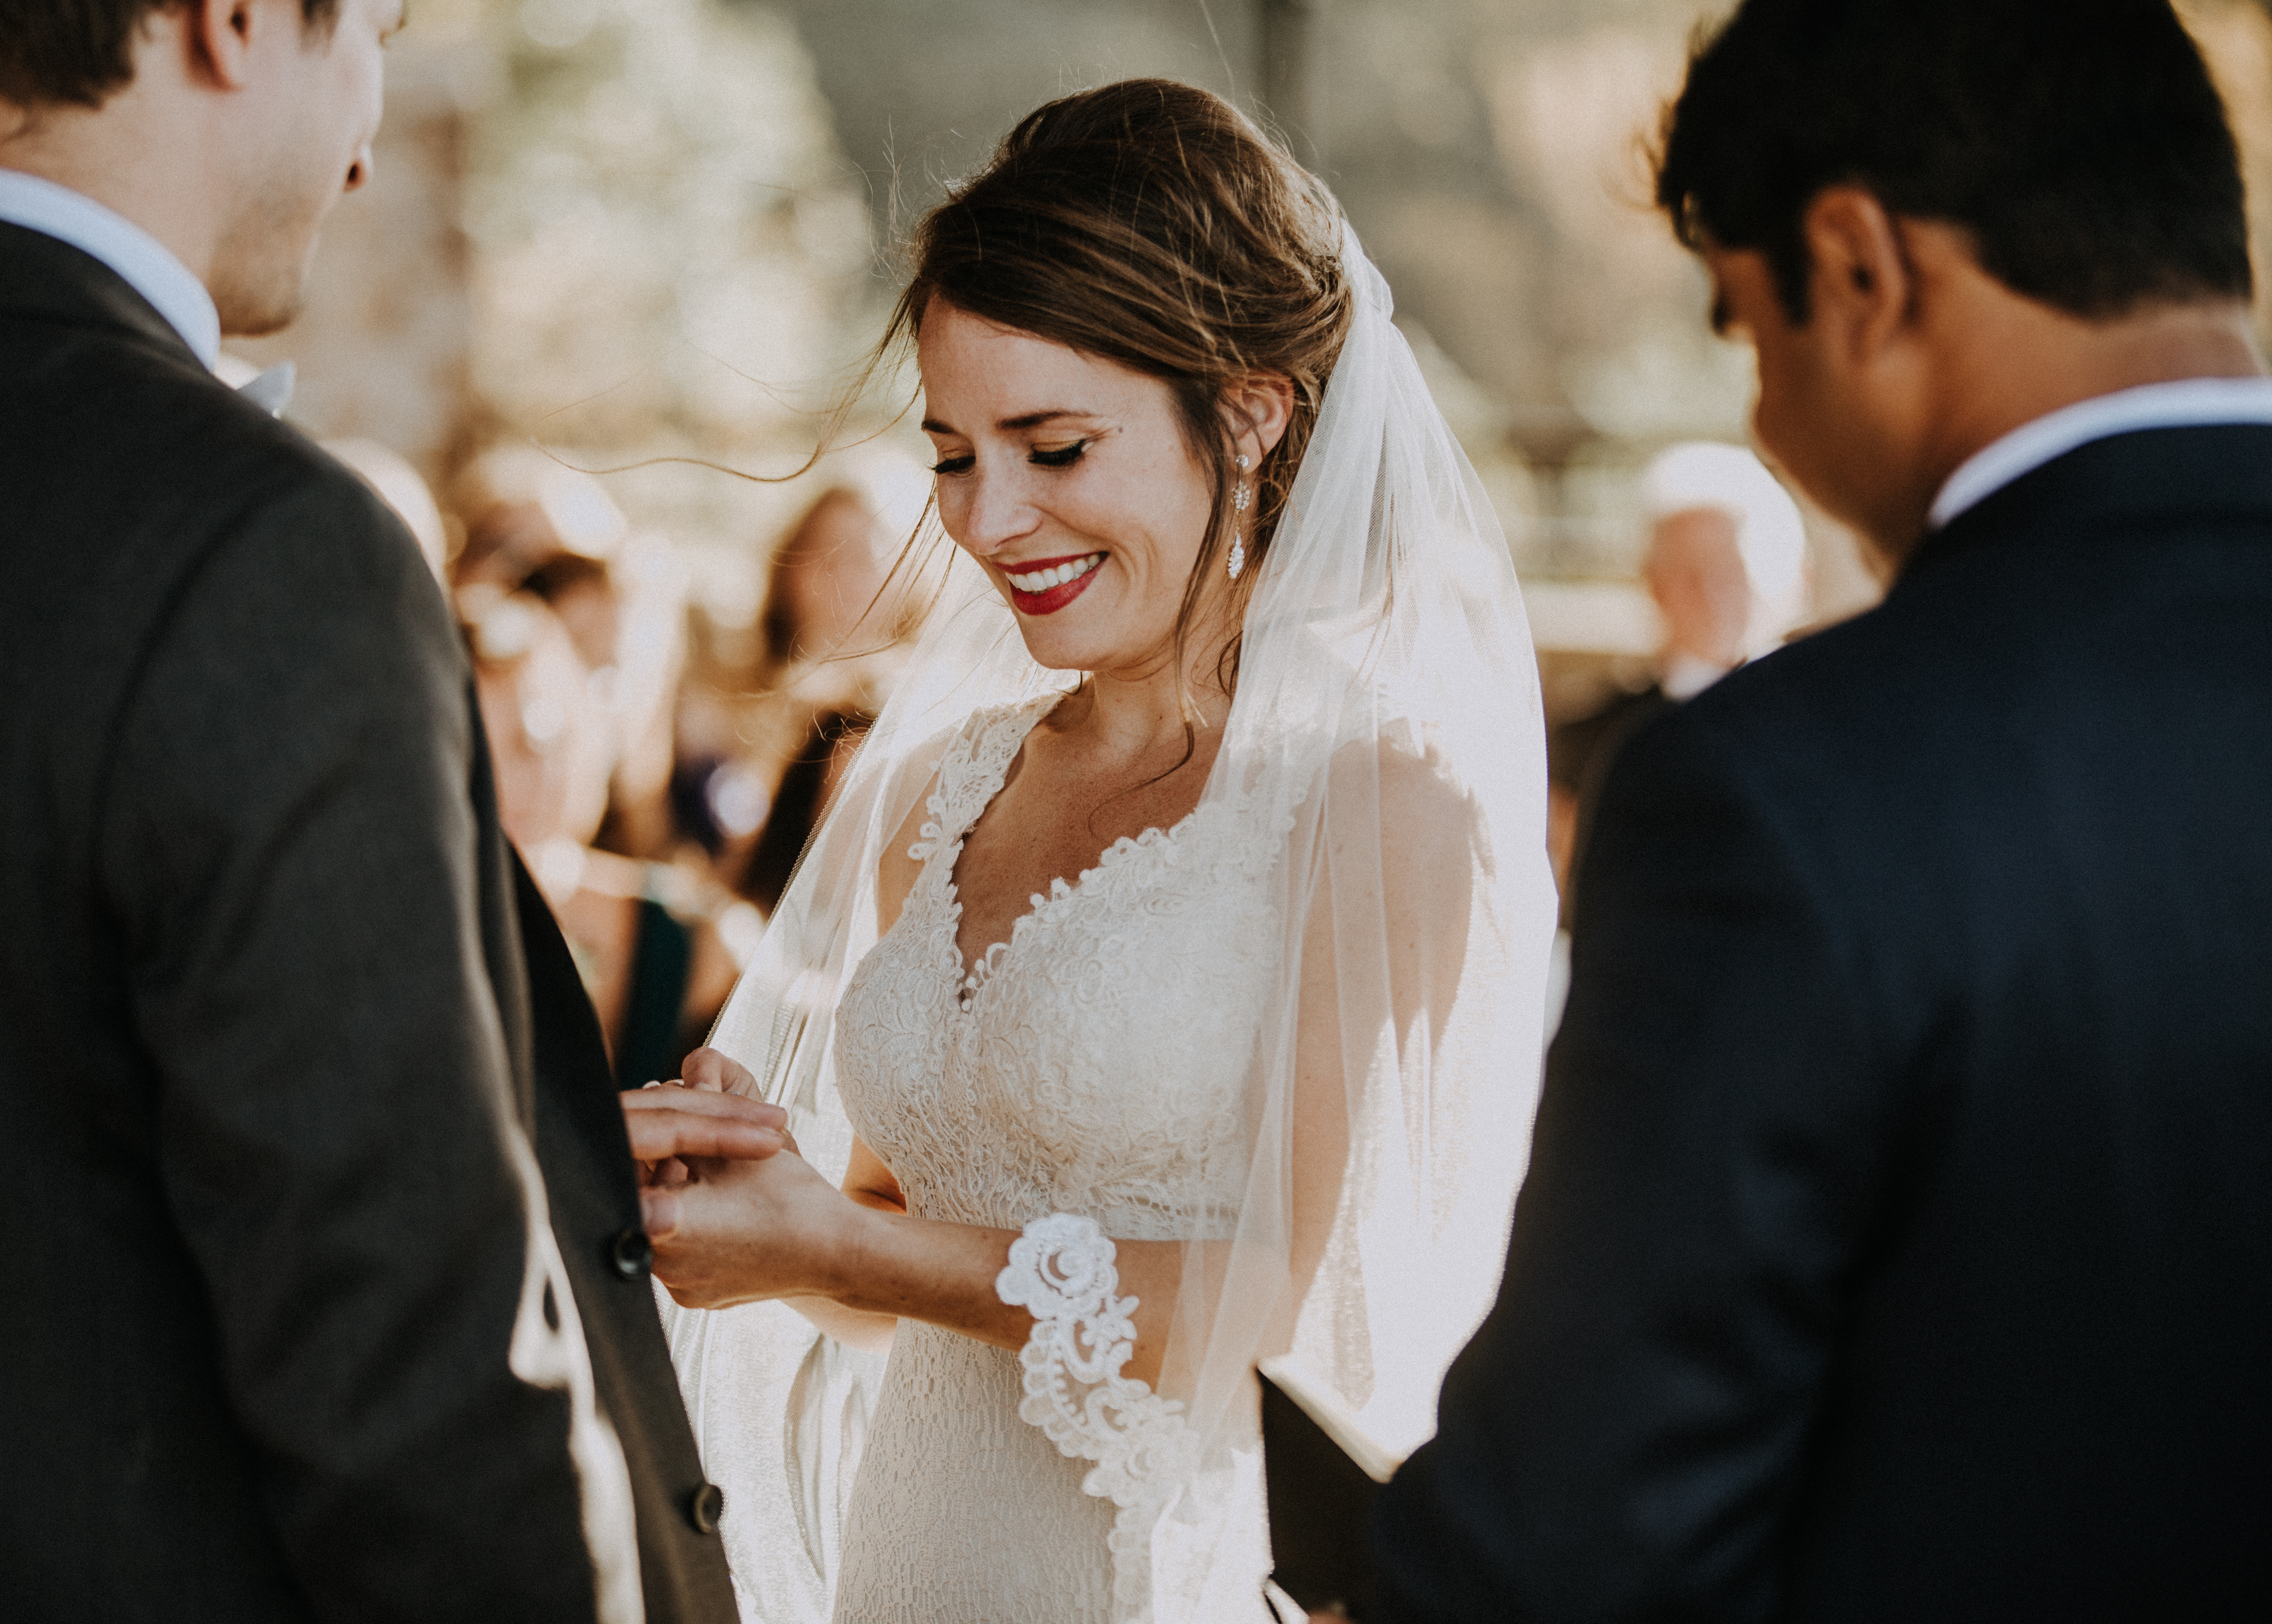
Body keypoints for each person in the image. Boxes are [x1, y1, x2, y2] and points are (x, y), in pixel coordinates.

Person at [0, 3, 777, 1617]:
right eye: (381, 30)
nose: (369, 123)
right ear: (241, 21)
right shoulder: (265, 552)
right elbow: (420, 1400)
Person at [1371, 0, 2272, 1617]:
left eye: (1740, 325)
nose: (1765, 415)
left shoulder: (1790, 793)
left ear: (1858, 266)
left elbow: (1573, 1545)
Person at [623, 79, 1555, 1624]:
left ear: (1251, 413)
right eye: (952, 453)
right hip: (914, 1572)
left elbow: (1268, 1314)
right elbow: (890, 1278)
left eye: (1055, 447)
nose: (992, 522)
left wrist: (844, 1242)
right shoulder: (941, 788)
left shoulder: (1381, 809)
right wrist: (776, 1206)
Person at [1546, 442, 1807, 929]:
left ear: (1788, 580)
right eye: (1688, 574)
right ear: (1654, 584)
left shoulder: (1822, 724)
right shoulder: (1589, 741)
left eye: (1731, 573)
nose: (1710, 595)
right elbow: (1579, 899)